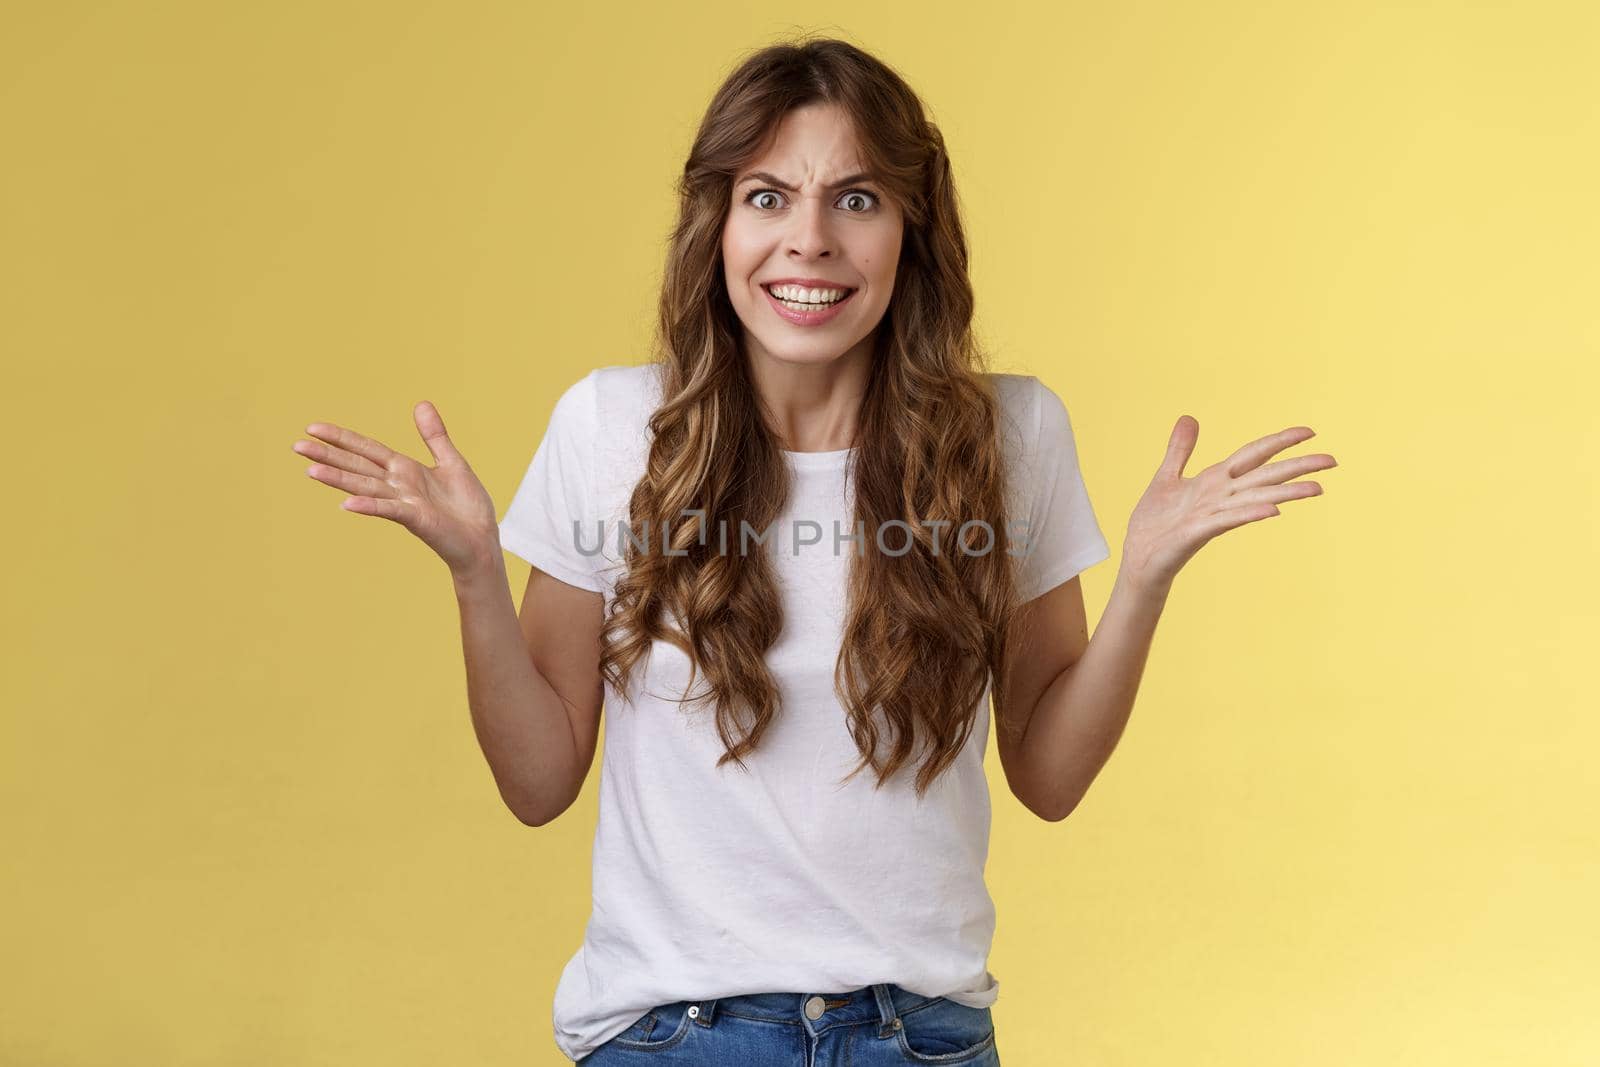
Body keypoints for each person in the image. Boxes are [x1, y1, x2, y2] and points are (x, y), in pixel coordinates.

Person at [292, 36, 1336, 1067]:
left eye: (856, 198)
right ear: (715, 227)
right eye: (767, 197)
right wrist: (475, 574)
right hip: (672, 1036)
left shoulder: (1008, 438)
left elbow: (1050, 775)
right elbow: (536, 780)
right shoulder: (612, 427)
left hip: (921, 1037)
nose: (809, 241)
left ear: (911, 233)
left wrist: (1143, 580)